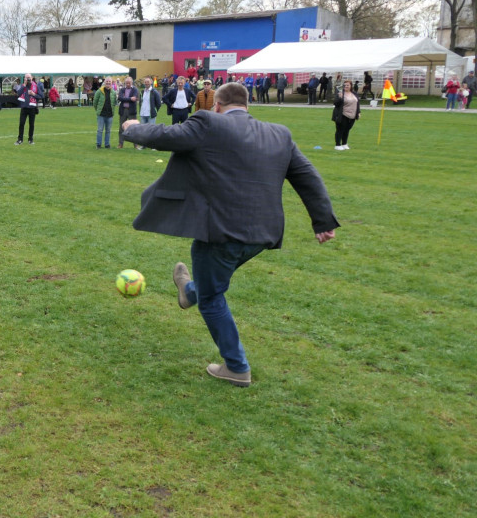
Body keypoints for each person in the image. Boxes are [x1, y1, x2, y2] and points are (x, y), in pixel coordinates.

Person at [119, 82, 339, 387]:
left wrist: (132, 128)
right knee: (213, 280)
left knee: (212, 298)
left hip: (221, 232)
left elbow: (166, 135)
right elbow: (308, 177)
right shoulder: (279, 134)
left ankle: (236, 367)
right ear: (248, 106)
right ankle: (189, 291)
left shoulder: (208, 122)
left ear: (216, 106)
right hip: (262, 235)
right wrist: (323, 221)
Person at [14, 73, 43, 145]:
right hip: (24, 107)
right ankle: (20, 139)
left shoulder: (35, 86)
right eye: (26, 78)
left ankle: (30, 139)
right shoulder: (23, 85)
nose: (28, 79)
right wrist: (23, 85)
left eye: (29, 77)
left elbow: (41, 96)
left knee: (31, 124)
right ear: (24, 79)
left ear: (32, 78)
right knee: (21, 124)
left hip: (32, 108)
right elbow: (18, 93)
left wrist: (34, 94)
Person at [332, 79, 360, 151]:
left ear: (351, 86)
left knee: (347, 130)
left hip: (352, 115)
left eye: (348, 85)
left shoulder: (354, 94)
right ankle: (337, 145)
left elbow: (357, 103)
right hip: (342, 114)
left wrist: (358, 112)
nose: (346, 86)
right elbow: (335, 103)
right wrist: (340, 97)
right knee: (340, 130)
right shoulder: (340, 93)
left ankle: (344, 144)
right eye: (345, 85)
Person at [93, 77, 118, 148]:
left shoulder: (113, 92)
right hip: (101, 114)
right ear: (104, 82)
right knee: (100, 130)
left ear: (111, 83)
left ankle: (107, 144)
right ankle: (98, 144)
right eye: (107, 81)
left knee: (108, 131)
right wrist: (98, 110)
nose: (108, 83)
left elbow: (114, 102)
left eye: (109, 82)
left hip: (110, 115)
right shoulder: (99, 91)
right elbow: (95, 102)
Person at [117, 76, 139, 148]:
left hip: (131, 111)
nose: (128, 84)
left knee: (134, 128)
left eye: (129, 83)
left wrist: (124, 98)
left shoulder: (135, 89)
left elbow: (134, 98)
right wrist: (130, 98)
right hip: (123, 110)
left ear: (131, 83)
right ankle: (120, 144)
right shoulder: (122, 89)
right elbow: (120, 98)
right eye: (126, 83)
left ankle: (135, 145)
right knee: (121, 128)